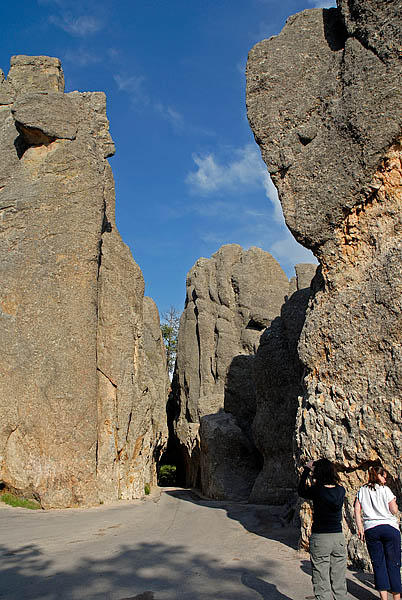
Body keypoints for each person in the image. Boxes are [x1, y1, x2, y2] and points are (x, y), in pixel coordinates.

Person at [298, 458, 348, 600]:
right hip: (337, 537)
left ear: (318, 473)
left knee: (321, 580)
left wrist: (307, 470)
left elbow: (301, 491)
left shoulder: (317, 491)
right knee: (339, 580)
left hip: (321, 537)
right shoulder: (341, 490)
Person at [354, 465, 401, 600]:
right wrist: (395, 504)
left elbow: (357, 510)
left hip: (371, 529)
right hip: (389, 528)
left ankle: (383, 598)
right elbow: (394, 510)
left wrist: (360, 527)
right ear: (378, 476)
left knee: (378, 563)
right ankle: (397, 597)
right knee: (394, 563)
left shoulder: (362, 490)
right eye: (384, 477)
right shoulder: (386, 490)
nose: (385, 480)